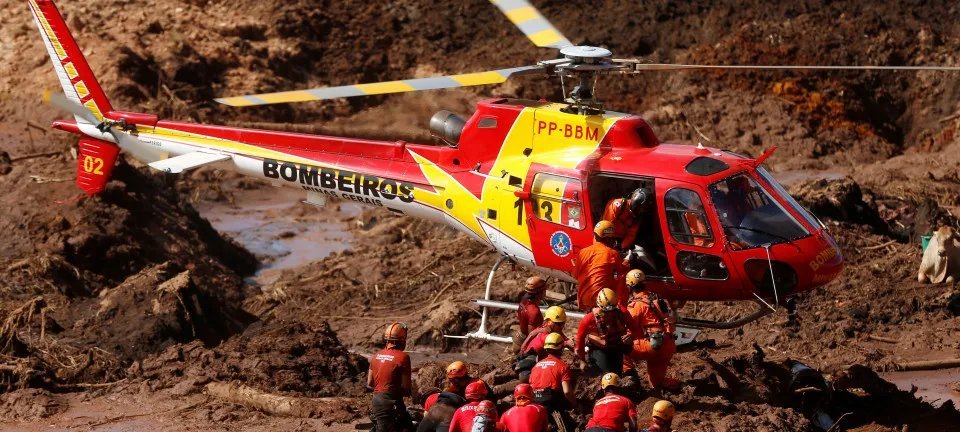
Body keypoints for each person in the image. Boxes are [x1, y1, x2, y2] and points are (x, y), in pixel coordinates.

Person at [624, 270, 678, 391]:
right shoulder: (657, 298)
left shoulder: (636, 305)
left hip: (653, 346)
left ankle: (630, 379)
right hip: (668, 345)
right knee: (656, 384)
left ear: (629, 286)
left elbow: (628, 329)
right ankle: (679, 387)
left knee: (619, 348)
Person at [575, 289, 641, 375]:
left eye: (612, 311)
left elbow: (637, 330)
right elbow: (579, 341)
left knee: (616, 376)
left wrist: (631, 335)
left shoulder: (622, 313)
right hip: (599, 349)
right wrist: (582, 360)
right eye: (605, 312)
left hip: (617, 347)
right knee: (606, 376)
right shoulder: (588, 319)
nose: (609, 314)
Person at [574, 221, 630, 309]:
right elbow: (622, 270)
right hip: (603, 299)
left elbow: (575, 275)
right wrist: (628, 260)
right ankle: (621, 306)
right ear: (609, 238)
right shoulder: (612, 253)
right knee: (623, 276)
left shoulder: (582, 252)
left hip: (584, 299)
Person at [368, 322, 412, 432]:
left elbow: (369, 383)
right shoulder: (403, 357)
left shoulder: (376, 355)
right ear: (402, 340)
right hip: (390, 402)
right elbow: (406, 387)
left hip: (377, 400)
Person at [529, 333, 575, 432]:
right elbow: (567, 392)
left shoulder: (535, 367)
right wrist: (575, 405)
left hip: (535, 404)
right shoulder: (562, 366)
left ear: (546, 349)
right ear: (561, 349)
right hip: (552, 405)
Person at [425, 362, 493, 412]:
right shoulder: (455, 387)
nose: (453, 382)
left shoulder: (478, 384)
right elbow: (444, 396)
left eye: (454, 380)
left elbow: (490, 400)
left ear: (462, 377)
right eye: (451, 380)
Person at [514, 276, 547, 354]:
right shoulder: (534, 312)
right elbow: (532, 336)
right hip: (526, 343)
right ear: (540, 292)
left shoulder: (524, 300)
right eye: (544, 290)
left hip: (519, 337)